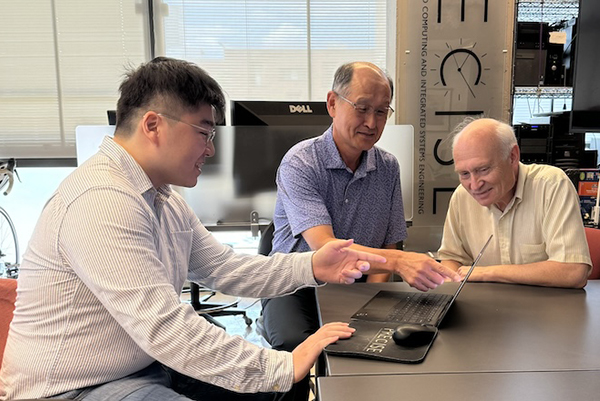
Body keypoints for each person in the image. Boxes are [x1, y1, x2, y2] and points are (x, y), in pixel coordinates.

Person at [0, 57, 388, 401]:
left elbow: (226, 269)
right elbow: (164, 327)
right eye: (204, 132)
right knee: (277, 375)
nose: (212, 149)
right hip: (73, 387)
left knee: (276, 389)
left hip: (142, 363)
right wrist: (280, 365)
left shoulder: (161, 198)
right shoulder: (101, 199)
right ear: (153, 125)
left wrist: (313, 267)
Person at [260, 62, 461, 401]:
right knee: (296, 346)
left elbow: (389, 241)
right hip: (295, 285)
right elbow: (327, 251)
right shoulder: (300, 162)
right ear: (332, 103)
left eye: (381, 112)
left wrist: (373, 302)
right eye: (363, 108)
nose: (372, 123)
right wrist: (398, 262)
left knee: (384, 345)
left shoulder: (388, 167)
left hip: (357, 286)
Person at [438, 117, 591, 288]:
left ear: (512, 156)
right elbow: (452, 259)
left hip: (544, 310)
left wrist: (487, 272)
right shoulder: (462, 196)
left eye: (483, 169)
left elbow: (573, 272)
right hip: (485, 309)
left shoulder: (551, 185)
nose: (474, 185)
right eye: (464, 174)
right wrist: (451, 278)